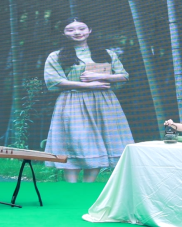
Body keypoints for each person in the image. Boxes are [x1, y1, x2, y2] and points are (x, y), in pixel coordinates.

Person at [44, 17, 134, 183]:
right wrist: (87, 85)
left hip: (103, 102)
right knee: (75, 141)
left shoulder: (107, 53)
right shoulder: (56, 56)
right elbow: (54, 81)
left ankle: (88, 185)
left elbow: (123, 76)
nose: (77, 32)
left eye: (82, 28)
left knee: (98, 141)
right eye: (70, 29)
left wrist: (99, 76)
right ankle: (71, 187)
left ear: (90, 30)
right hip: (72, 101)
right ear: (63, 33)